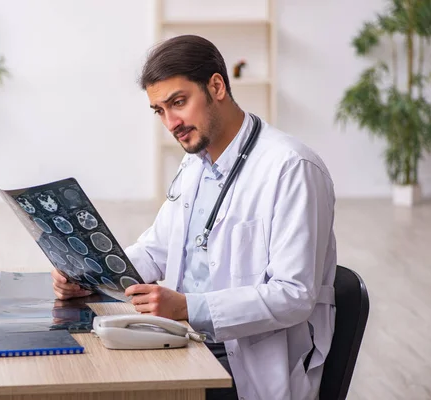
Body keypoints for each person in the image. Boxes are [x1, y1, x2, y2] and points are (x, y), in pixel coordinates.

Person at [52, 34, 337, 400]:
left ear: (216, 86)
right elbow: (156, 251)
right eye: (160, 110)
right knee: (83, 368)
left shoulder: (291, 168)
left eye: (179, 102)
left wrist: (189, 307)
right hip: (186, 340)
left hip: (245, 362)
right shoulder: (195, 165)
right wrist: (86, 274)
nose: (171, 122)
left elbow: (294, 295)